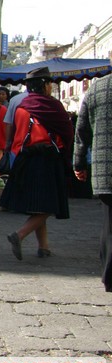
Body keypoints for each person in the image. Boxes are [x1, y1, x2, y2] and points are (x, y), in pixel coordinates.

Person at [0, 67, 73, 260]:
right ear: (44, 85)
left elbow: (16, 134)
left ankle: (44, 247)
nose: (50, 87)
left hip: (25, 159)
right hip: (47, 159)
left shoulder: (22, 106)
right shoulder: (52, 106)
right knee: (50, 204)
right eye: (49, 83)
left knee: (38, 204)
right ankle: (19, 234)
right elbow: (67, 132)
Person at [73, 72, 112, 292]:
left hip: (105, 169)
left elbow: (82, 132)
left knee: (109, 225)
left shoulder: (96, 88)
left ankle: (109, 275)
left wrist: (78, 164)